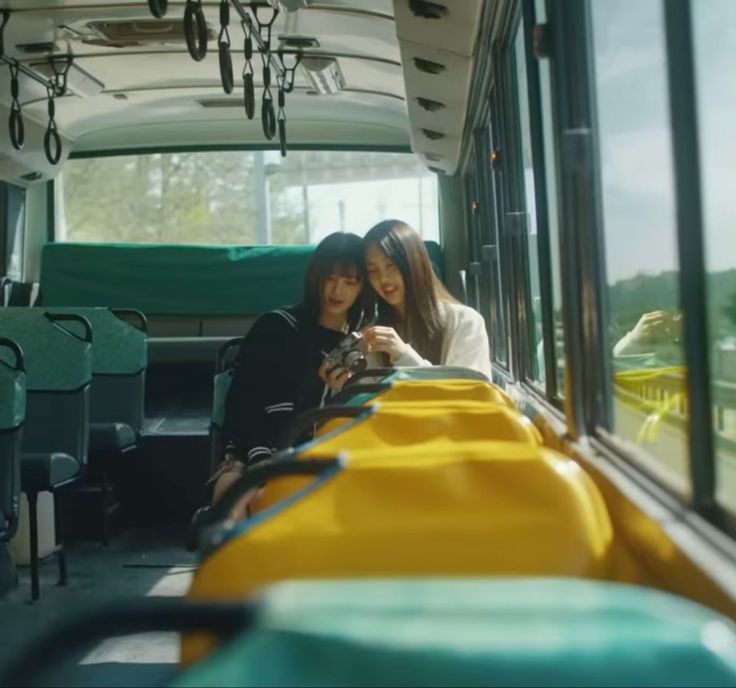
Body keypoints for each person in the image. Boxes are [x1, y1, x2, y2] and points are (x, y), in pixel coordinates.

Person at [210, 232, 364, 507]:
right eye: (329, 278)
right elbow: (243, 400)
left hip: (320, 454)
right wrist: (260, 459)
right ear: (314, 276)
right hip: (251, 451)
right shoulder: (277, 326)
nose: (336, 291)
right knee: (234, 505)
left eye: (349, 282)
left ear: (362, 287)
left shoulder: (358, 346)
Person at [322, 219, 491, 389]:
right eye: (372, 270)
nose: (383, 279)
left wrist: (403, 354)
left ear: (414, 263)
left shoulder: (465, 322)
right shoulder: (371, 338)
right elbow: (369, 408)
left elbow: (469, 394)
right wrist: (347, 388)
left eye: (391, 265)